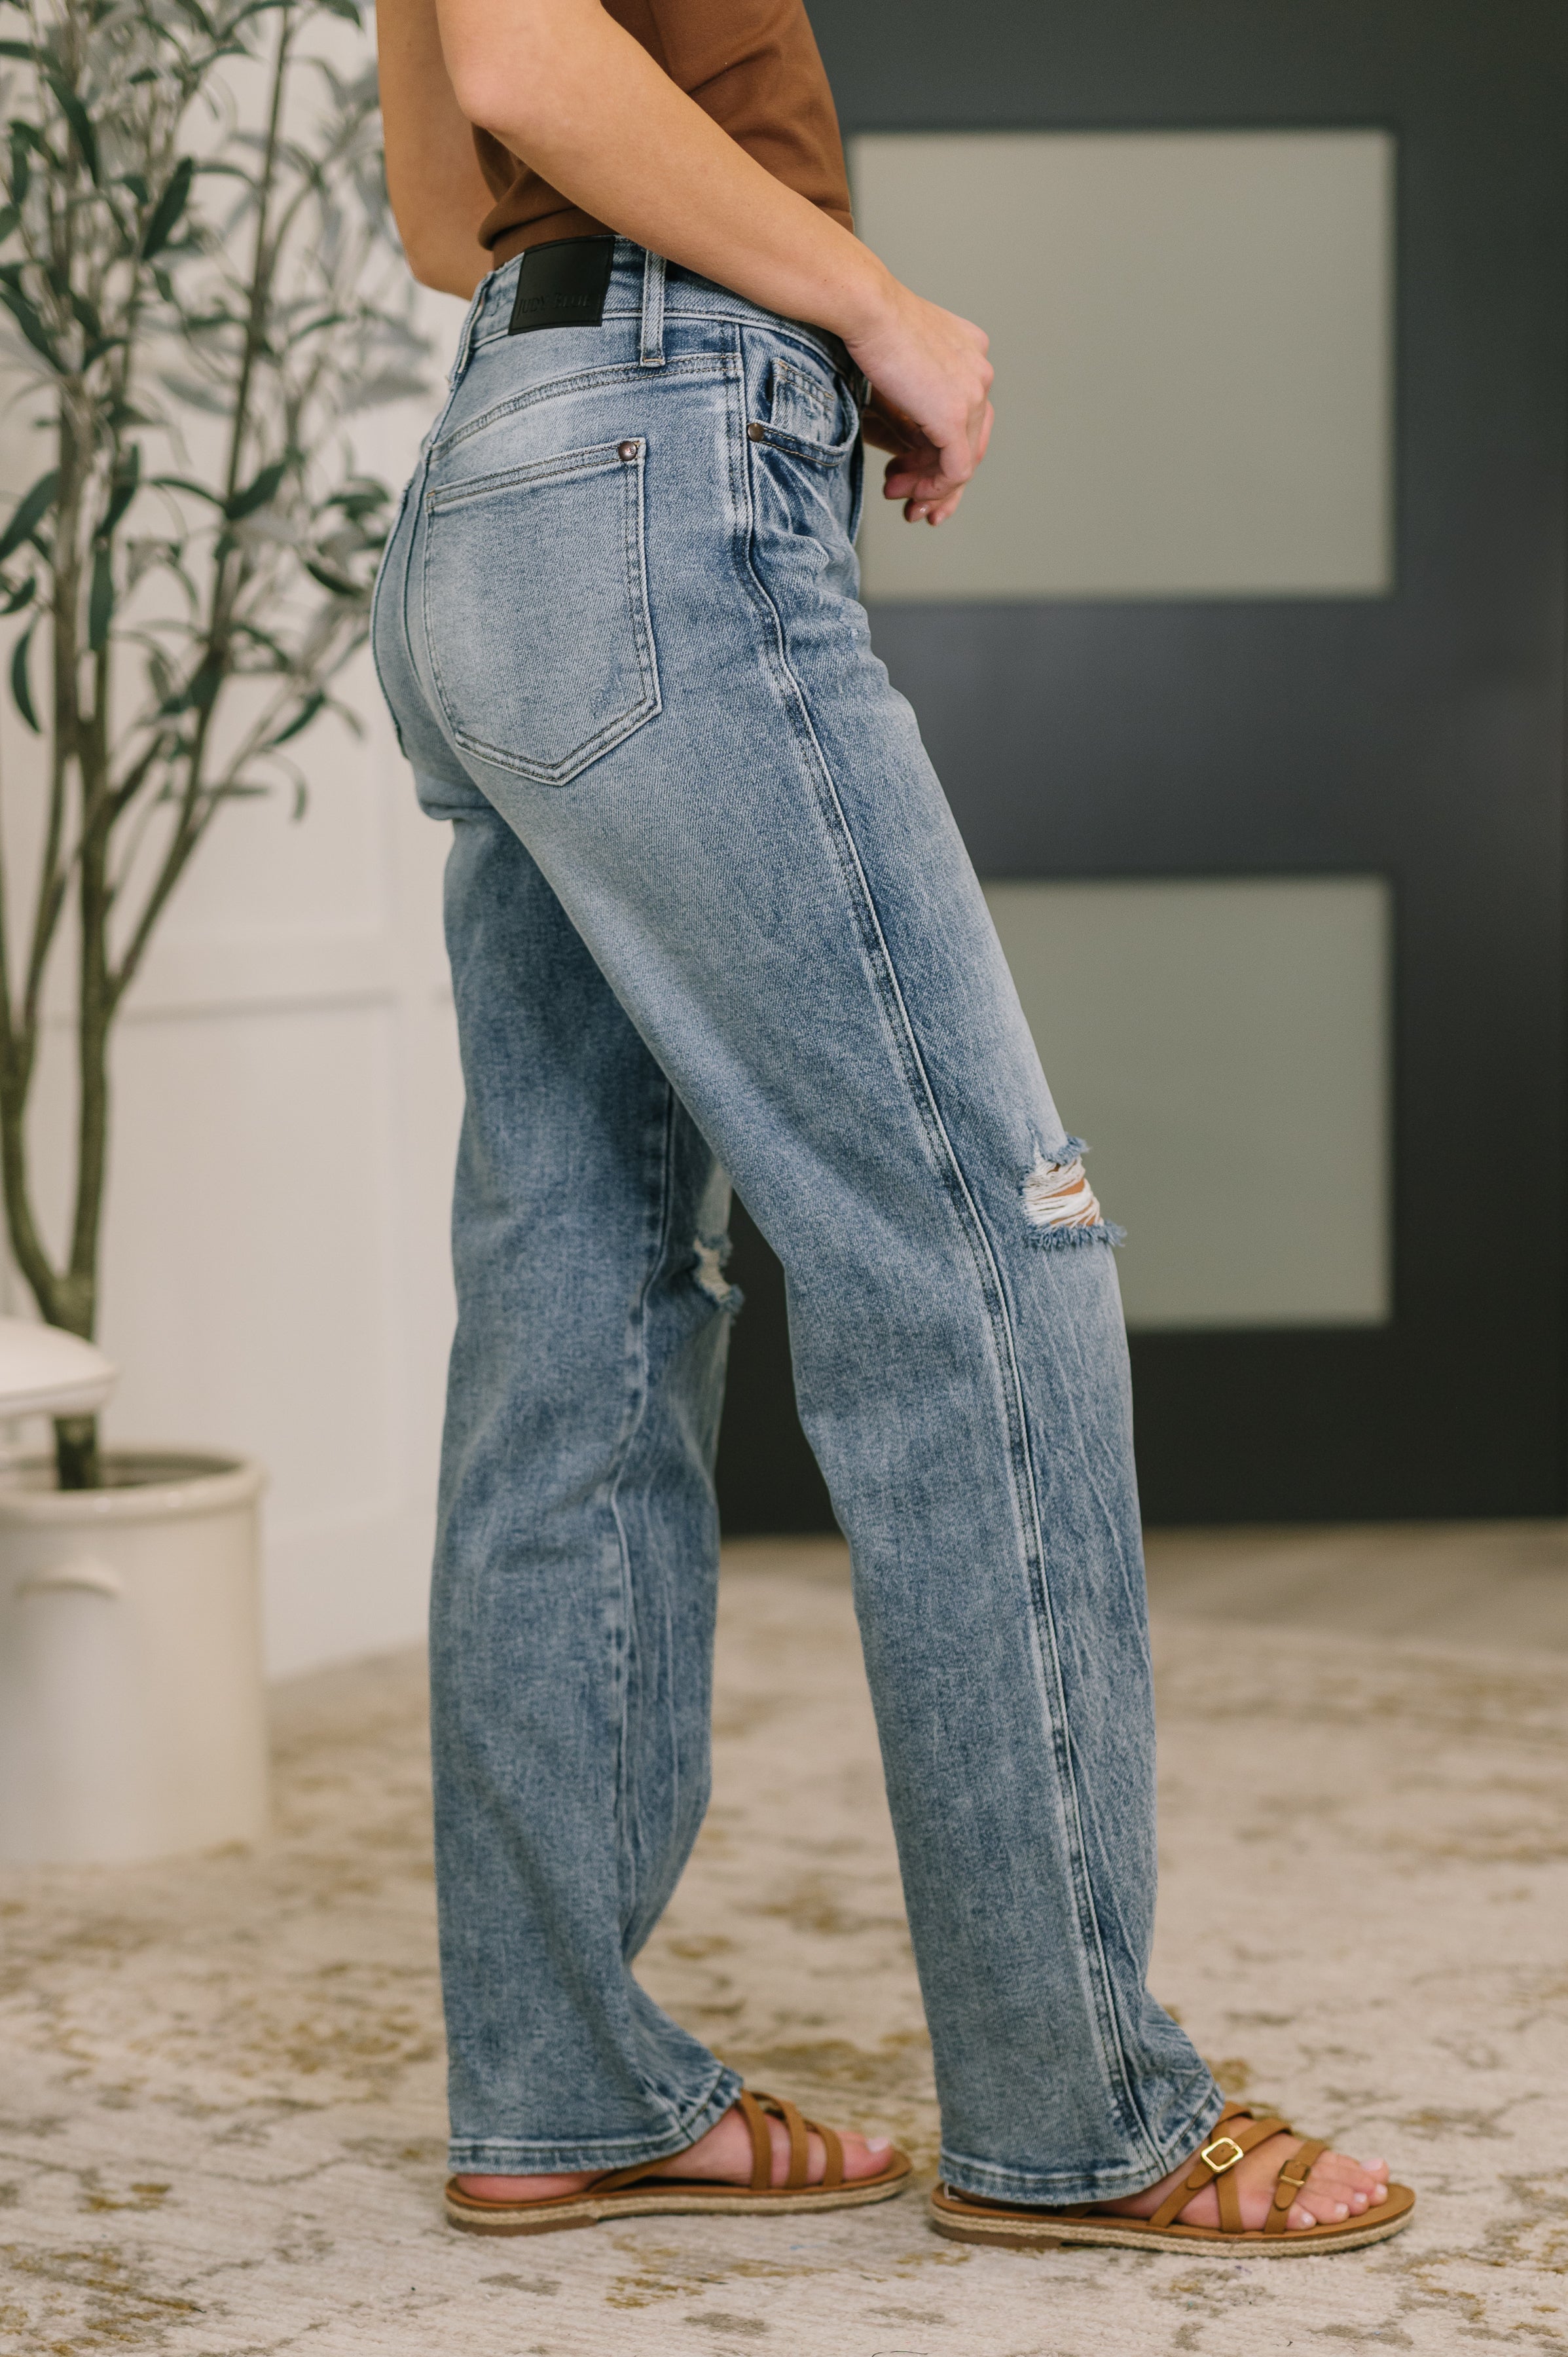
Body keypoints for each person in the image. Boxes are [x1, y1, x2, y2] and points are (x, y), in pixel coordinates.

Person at [371, 0, 1414, 2254]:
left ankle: (562, 2080)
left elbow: (446, 214)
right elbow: (535, 74)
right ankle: (1082, 2111)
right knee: (976, 1258)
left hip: (497, 493)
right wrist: (879, 314)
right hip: (656, 462)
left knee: (578, 1301)